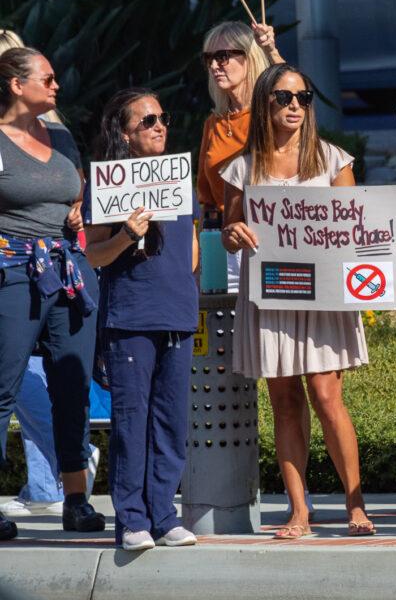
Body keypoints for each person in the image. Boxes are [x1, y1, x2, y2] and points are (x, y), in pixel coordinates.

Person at [221, 64, 396, 539]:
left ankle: (355, 503)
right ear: (264, 102)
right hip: (271, 293)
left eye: (303, 98)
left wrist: (390, 243)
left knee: (327, 396)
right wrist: (234, 233)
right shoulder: (241, 168)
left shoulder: (331, 159)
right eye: (284, 98)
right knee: (284, 402)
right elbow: (228, 232)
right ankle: (299, 512)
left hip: (323, 294)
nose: (295, 107)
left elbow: (357, 223)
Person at [83, 89, 200, 550]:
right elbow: (93, 252)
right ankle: (132, 519)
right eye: (147, 121)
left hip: (177, 313)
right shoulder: (106, 186)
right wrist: (126, 236)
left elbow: (190, 242)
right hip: (131, 316)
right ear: (124, 134)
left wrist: (184, 287)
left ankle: (164, 514)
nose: (159, 126)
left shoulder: (178, 180)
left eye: (161, 118)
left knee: (171, 421)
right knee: (132, 421)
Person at [0, 47, 104, 541]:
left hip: (67, 271)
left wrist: (79, 211)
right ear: (17, 85)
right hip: (12, 271)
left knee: (72, 385)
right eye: (47, 77)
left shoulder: (61, 137)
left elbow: (76, 193)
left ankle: (77, 500)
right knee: (3, 387)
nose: (56, 84)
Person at [197, 21, 284, 292]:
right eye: (209, 58)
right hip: (227, 244)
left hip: (275, 239)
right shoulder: (214, 123)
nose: (214, 66)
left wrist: (271, 50)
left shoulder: (271, 114)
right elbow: (206, 198)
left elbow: (294, 95)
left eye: (222, 56)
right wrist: (202, 254)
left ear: (250, 57)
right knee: (226, 329)